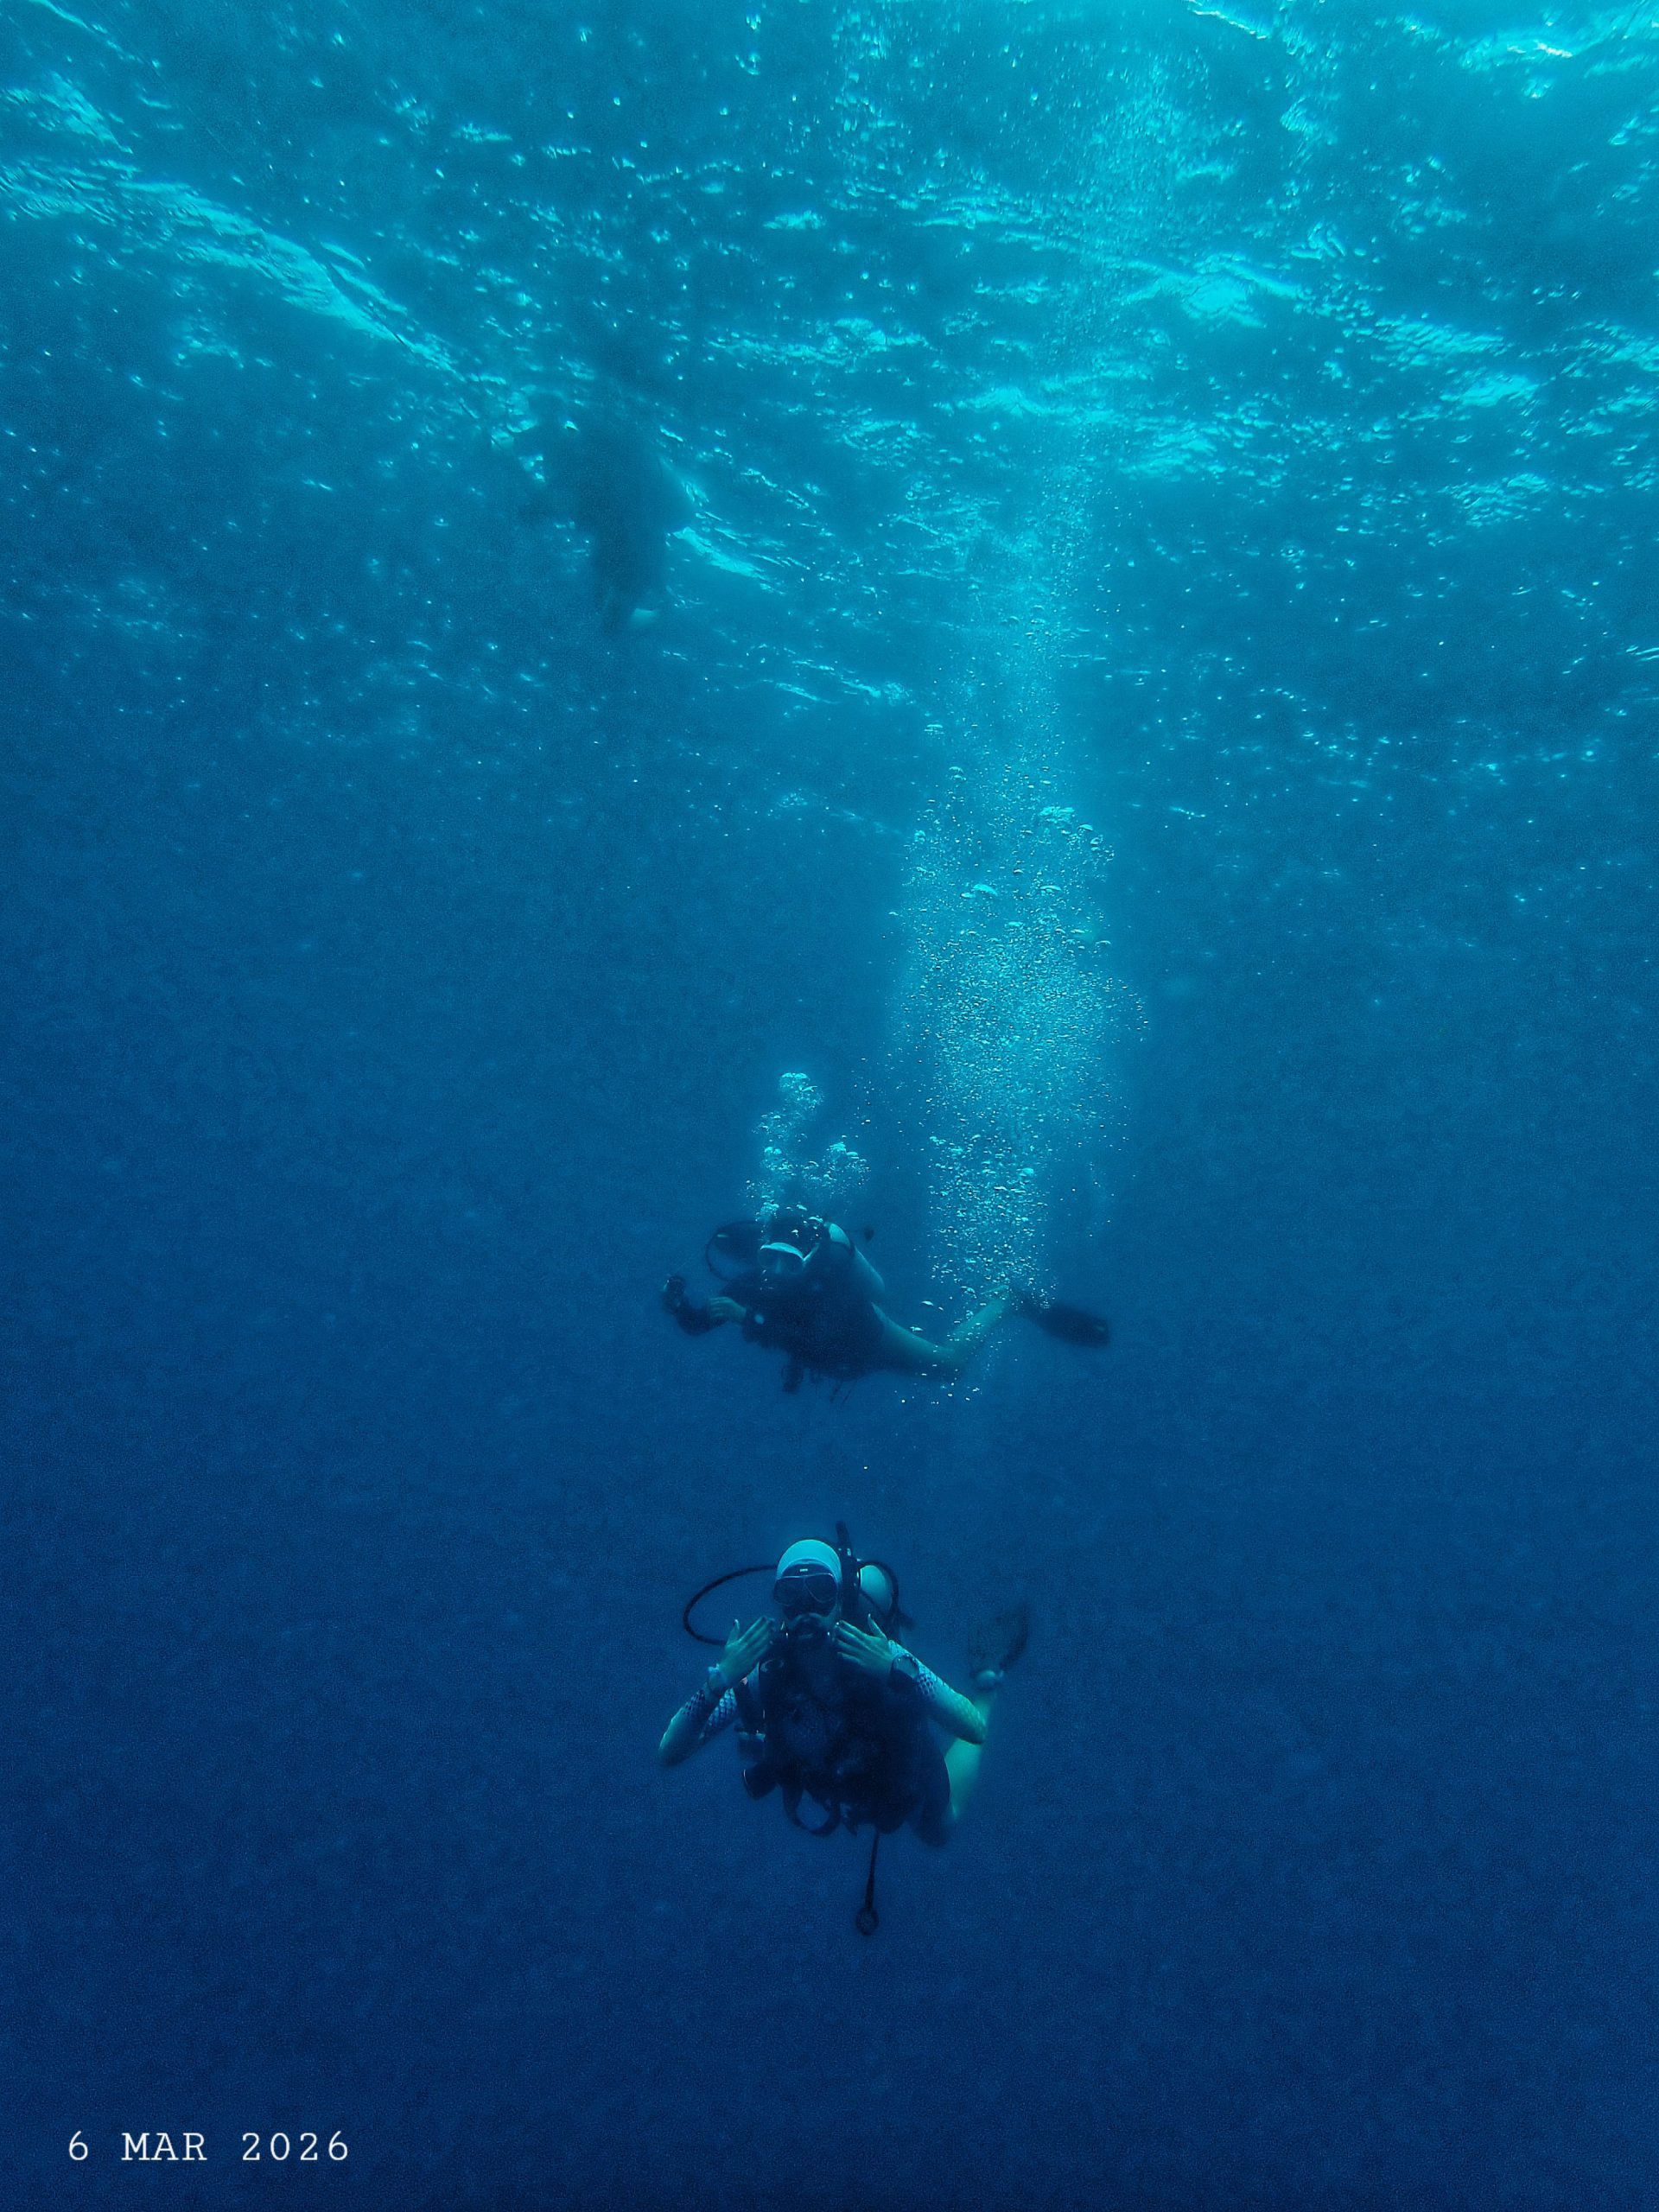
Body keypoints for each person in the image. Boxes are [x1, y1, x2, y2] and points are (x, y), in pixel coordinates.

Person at [658, 1538, 1028, 1850]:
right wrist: (719, 1680)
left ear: (840, 1600)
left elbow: (974, 1729)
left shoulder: (879, 1651)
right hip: (838, 1783)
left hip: (894, 1771)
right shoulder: (764, 1673)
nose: (807, 1611)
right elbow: (670, 1752)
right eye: (791, 1596)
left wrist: (895, 1670)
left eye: (820, 1593)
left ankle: (986, 1689)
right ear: (780, 1605)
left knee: (939, 1831)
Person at [661, 1206, 1108, 1392]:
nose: (776, 1272)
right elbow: (701, 1323)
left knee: (948, 1365)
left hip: (864, 1337)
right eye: (768, 1259)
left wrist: (751, 1321)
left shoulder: (828, 1289)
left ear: (807, 1261)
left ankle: (1006, 1302)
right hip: (840, 1364)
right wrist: (679, 1305)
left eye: (789, 1263)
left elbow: (822, 1341)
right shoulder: (750, 1287)